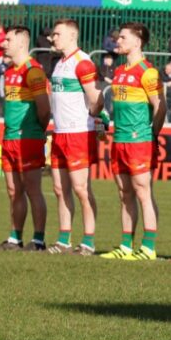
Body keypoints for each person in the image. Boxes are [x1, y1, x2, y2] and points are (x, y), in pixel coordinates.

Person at [100, 23, 165, 262]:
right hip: (119, 140)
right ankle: (126, 246)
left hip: (139, 141)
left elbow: (160, 106)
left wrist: (152, 135)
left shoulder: (148, 72)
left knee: (143, 192)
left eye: (124, 38)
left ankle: (148, 247)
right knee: (124, 193)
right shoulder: (119, 71)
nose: (119, 41)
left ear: (137, 42)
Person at [47, 19, 103, 255]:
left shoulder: (83, 63)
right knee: (60, 188)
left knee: (81, 188)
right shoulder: (60, 64)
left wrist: (95, 119)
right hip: (60, 133)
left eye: (57, 34)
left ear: (72, 36)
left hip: (78, 133)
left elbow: (96, 97)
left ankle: (88, 241)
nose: (53, 38)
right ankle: (63, 240)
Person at [0, 26, 51, 251]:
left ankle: (38, 239)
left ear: (21, 42)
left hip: (27, 138)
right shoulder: (9, 71)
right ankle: (15, 237)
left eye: (8, 39)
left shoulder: (33, 71)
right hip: (9, 137)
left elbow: (44, 109)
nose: (3, 43)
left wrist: (35, 131)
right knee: (13, 190)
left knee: (32, 189)